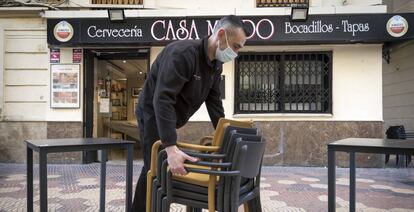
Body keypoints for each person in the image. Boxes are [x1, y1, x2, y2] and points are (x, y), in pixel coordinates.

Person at [132, 15, 248, 212]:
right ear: (221, 35)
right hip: (152, 112)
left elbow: (214, 104)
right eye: (235, 46)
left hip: (171, 116)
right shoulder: (183, 54)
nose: (235, 53)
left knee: (157, 166)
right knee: (154, 167)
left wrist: (228, 135)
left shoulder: (215, 65)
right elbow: (163, 99)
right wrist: (170, 147)